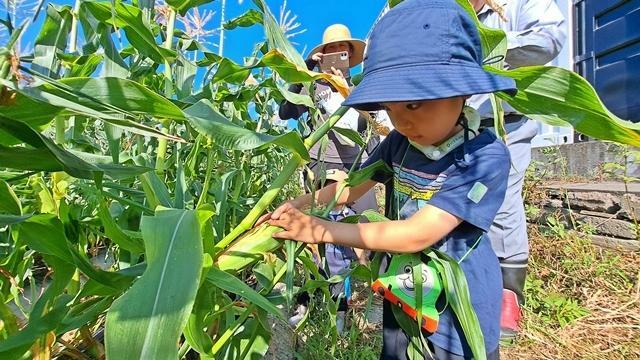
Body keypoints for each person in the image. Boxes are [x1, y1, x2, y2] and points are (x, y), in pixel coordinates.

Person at [260, 0, 517, 358]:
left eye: (412, 105)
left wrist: (321, 230)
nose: (402, 123)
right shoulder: (399, 143)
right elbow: (350, 189)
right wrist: (299, 205)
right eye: (391, 109)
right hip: (402, 290)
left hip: (457, 310)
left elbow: (417, 234)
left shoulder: (483, 156)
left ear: (463, 91)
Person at [466, 0, 566, 340]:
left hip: (505, 122)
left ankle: (508, 295)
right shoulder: (449, 9)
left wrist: (485, 45)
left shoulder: (518, 3)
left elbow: (549, 39)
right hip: (453, 125)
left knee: (503, 203)